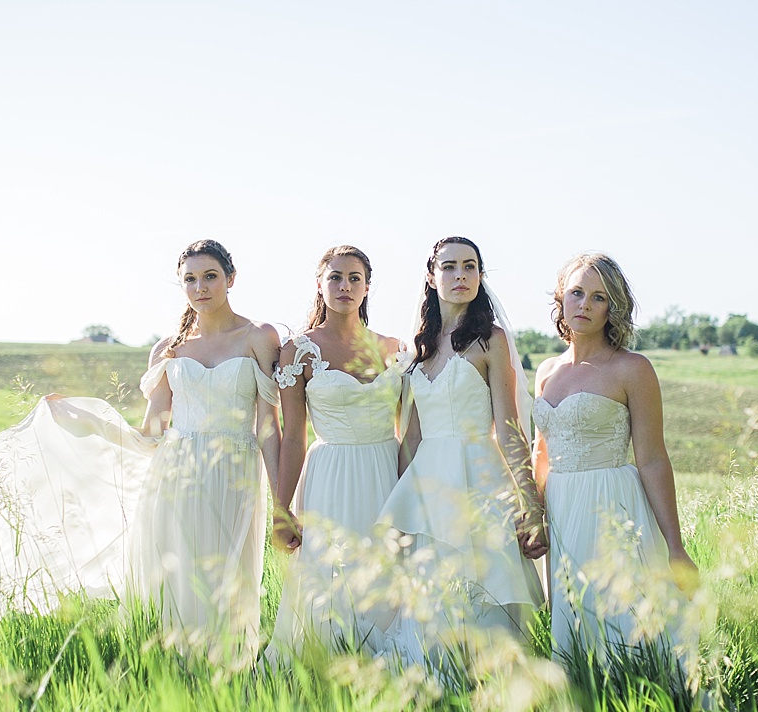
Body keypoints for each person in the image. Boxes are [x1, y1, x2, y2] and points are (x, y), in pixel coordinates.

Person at [0, 239, 281, 664]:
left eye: (210, 276)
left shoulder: (259, 337)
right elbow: (151, 435)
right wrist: (84, 417)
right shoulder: (169, 350)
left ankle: (228, 673)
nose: (200, 287)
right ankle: (171, 671)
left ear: (231, 278)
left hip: (234, 474)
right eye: (189, 279)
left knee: (226, 577)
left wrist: (282, 503)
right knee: (175, 577)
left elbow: (268, 428)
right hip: (175, 474)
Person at [379, 236, 547, 665]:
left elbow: (510, 429)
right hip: (427, 485)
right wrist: (398, 505)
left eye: (470, 267)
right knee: (430, 591)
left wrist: (530, 506)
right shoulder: (419, 347)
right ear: (432, 278)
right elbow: (412, 436)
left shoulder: (490, 341)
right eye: (450, 267)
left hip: (480, 477)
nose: (461, 276)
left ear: (480, 276)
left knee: (483, 587)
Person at [533, 252, 699, 672]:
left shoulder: (632, 369)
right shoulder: (546, 370)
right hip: (561, 506)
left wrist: (675, 546)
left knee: (624, 618)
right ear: (561, 299)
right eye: (576, 293)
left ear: (613, 307)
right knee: (575, 621)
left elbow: (653, 459)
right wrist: (536, 516)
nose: (585, 305)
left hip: (611, 504)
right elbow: (541, 452)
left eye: (598, 297)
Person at [266, 245, 403, 657]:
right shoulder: (298, 350)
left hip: (385, 470)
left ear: (367, 287)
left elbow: (408, 427)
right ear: (320, 284)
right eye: (336, 277)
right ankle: (327, 661)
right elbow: (293, 436)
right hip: (330, 475)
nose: (345, 286)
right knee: (331, 571)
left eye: (354, 278)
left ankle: (387, 661)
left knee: (384, 569)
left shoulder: (393, 347)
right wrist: (281, 508)